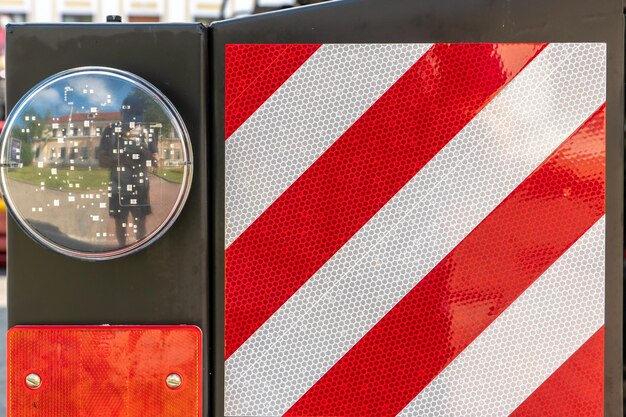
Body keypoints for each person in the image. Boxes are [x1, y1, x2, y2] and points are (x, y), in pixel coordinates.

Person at [98, 94, 158, 247]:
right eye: (130, 117)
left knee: (140, 223)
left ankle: (140, 249)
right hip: (118, 188)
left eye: (137, 117)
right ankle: (123, 249)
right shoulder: (110, 131)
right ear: (121, 113)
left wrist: (147, 155)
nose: (133, 124)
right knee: (120, 223)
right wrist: (118, 157)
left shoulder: (149, 132)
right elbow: (101, 162)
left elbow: (157, 163)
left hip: (140, 188)